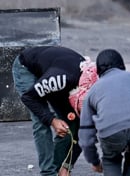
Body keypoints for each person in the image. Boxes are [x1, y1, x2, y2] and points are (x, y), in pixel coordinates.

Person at [79, 49, 130, 176]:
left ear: (99, 72)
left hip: (110, 131)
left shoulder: (93, 91)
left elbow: (85, 133)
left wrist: (94, 161)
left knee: (111, 159)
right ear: (122, 66)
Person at [12, 46, 86, 176]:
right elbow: (28, 97)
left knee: (72, 122)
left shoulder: (91, 89)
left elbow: (85, 131)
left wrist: (68, 165)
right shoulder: (61, 80)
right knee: (41, 121)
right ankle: (48, 173)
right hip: (27, 68)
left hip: (54, 71)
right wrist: (52, 120)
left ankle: (58, 169)